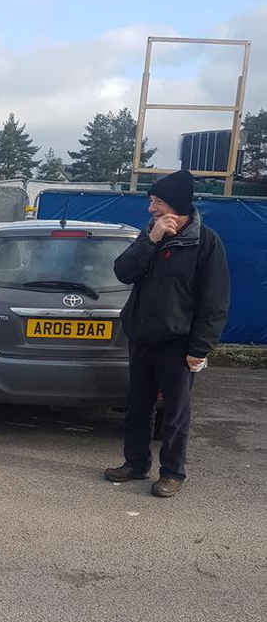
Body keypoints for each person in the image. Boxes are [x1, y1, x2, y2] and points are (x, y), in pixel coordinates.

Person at [105, 170, 230, 497]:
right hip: (142, 338)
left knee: (175, 415)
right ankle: (135, 464)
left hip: (179, 345)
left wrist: (200, 348)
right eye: (151, 202)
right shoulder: (151, 235)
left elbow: (215, 301)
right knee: (137, 408)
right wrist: (151, 240)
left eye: (157, 202)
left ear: (176, 204)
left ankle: (172, 473)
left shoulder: (205, 243)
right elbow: (123, 272)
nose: (151, 209)